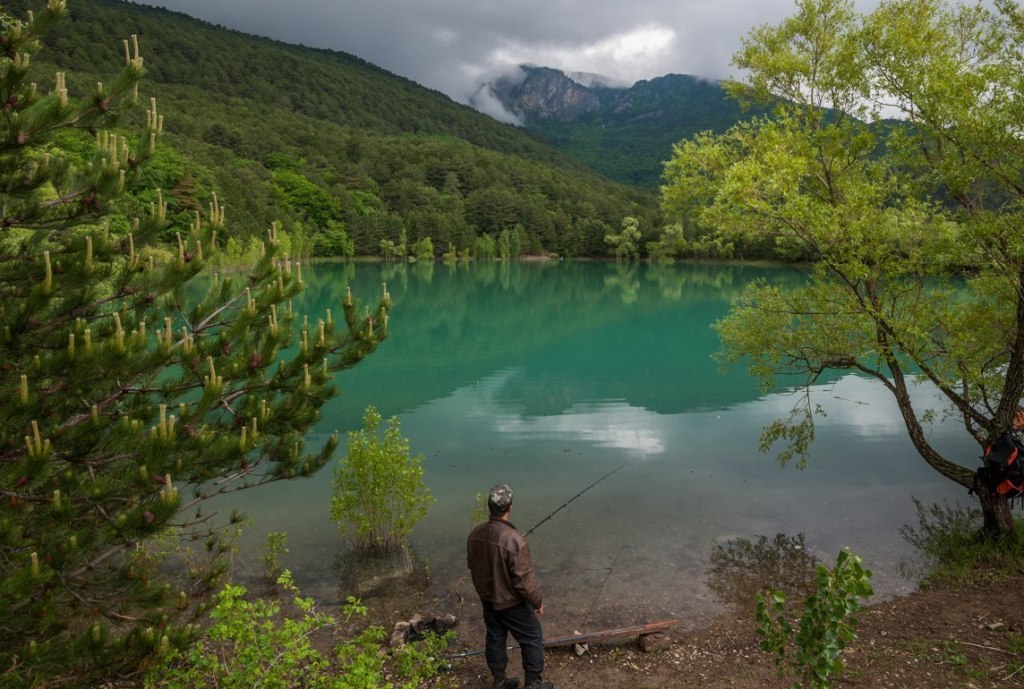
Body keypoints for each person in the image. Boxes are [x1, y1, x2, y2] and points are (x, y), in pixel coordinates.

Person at [467, 484, 553, 689]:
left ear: (490, 507)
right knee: (532, 636)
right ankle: (532, 684)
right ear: (510, 507)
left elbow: (472, 565)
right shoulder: (515, 541)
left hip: (487, 599)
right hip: (510, 603)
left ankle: (500, 681)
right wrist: (537, 602)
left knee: (495, 635)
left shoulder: (475, 533)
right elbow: (524, 581)